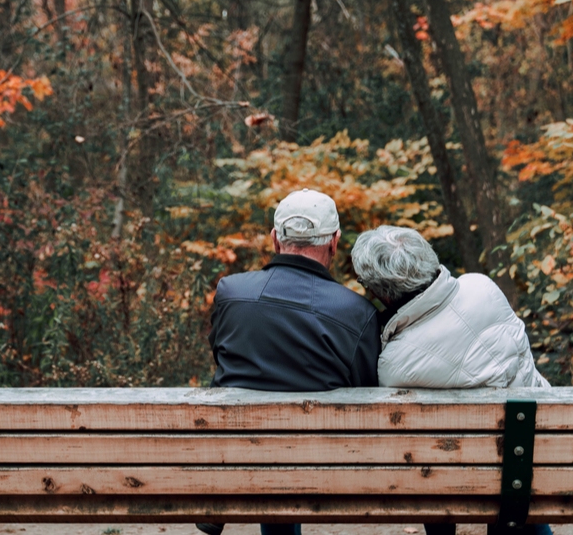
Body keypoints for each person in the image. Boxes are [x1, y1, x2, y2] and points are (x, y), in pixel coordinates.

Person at [199, 189, 381, 535]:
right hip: (321, 460)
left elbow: (219, 353)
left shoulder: (231, 292)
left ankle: (217, 492)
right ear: (334, 242)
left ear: (274, 239)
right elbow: (365, 389)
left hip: (237, 452)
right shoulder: (357, 313)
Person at [351, 225, 552, 535]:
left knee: (432, 464)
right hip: (538, 456)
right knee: (514, 477)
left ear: (383, 293)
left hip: (449, 476)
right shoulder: (482, 286)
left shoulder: (395, 363)